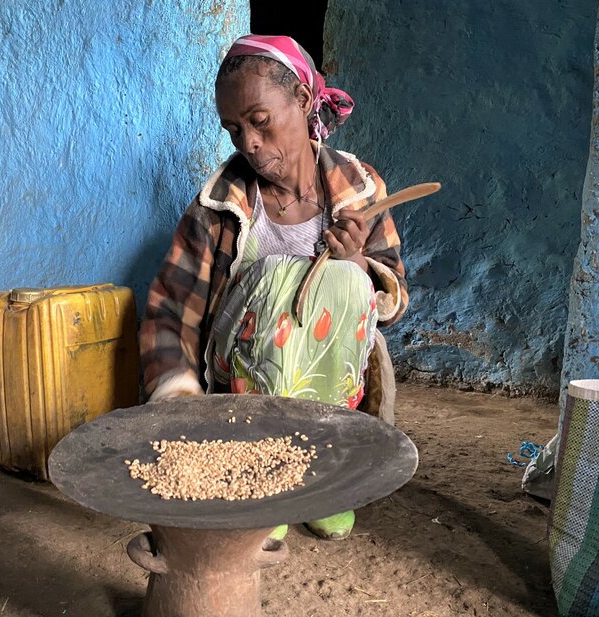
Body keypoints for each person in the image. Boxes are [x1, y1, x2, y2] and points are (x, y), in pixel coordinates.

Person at [140, 34, 408, 540]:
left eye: (260, 121)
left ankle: (325, 475)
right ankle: (265, 474)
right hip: (243, 385)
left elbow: (393, 305)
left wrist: (358, 264)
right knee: (271, 280)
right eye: (233, 129)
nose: (249, 143)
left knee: (346, 279)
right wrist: (178, 398)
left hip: (334, 383)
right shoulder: (220, 208)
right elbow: (170, 310)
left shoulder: (359, 187)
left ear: (304, 102)